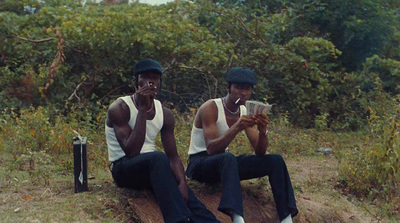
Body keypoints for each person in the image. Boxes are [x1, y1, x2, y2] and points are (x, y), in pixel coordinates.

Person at [105, 59, 220, 223]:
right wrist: (142, 110)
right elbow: (131, 151)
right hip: (124, 169)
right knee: (158, 158)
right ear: (135, 81)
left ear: (160, 83)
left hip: (154, 167)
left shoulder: (165, 113)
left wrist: (182, 183)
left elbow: (173, 156)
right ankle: (178, 219)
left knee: (186, 197)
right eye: (144, 77)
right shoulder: (120, 108)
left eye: (155, 78)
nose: (150, 82)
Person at [186, 67, 298, 223]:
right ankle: (237, 218)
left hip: (224, 164)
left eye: (247, 89)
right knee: (228, 158)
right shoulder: (210, 107)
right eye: (238, 87)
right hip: (199, 164)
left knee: (275, 160)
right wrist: (237, 127)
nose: (243, 93)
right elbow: (211, 149)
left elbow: (260, 152)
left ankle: (286, 218)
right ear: (228, 88)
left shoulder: (245, 110)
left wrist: (263, 131)